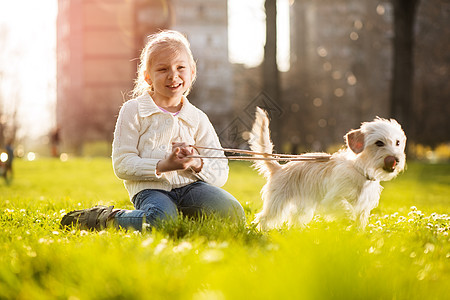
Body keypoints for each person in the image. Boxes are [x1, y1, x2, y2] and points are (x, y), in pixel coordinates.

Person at [61, 30, 245, 231]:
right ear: (148, 77)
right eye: (163, 69)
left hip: (191, 188)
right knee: (160, 220)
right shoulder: (134, 110)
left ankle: (179, 217)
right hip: (151, 190)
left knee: (233, 214)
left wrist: (196, 163)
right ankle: (107, 218)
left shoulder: (198, 118)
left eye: (180, 67)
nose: (173, 75)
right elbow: (122, 164)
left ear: (192, 72)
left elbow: (221, 171)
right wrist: (162, 165)